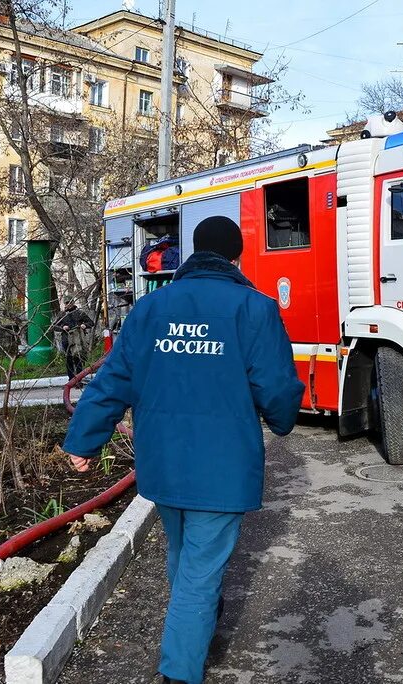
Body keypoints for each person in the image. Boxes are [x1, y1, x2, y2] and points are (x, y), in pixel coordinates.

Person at [61, 216, 305, 684]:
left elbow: (113, 379)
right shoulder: (255, 308)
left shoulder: (152, 308)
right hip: (223, 466)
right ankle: (180, 670)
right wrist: (282, 419)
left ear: (193, 253)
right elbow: (275, 384)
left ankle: (195, 632)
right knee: (199, 571)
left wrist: (84, 440)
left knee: (184, 557)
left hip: (165, 463)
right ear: (236, 257)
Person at [54, 301, 94, 381]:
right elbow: (54, 326)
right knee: (69, 361)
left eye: (69, 303)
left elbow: (91, 323)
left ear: (73, 303)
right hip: (66, 340)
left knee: (78, 359)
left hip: (78, 340)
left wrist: (84, 325)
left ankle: (79, 380)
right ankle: (71, 380)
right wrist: (63, 327)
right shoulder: (62, 314)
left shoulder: (79, 313)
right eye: (66, 303)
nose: (67, 305)